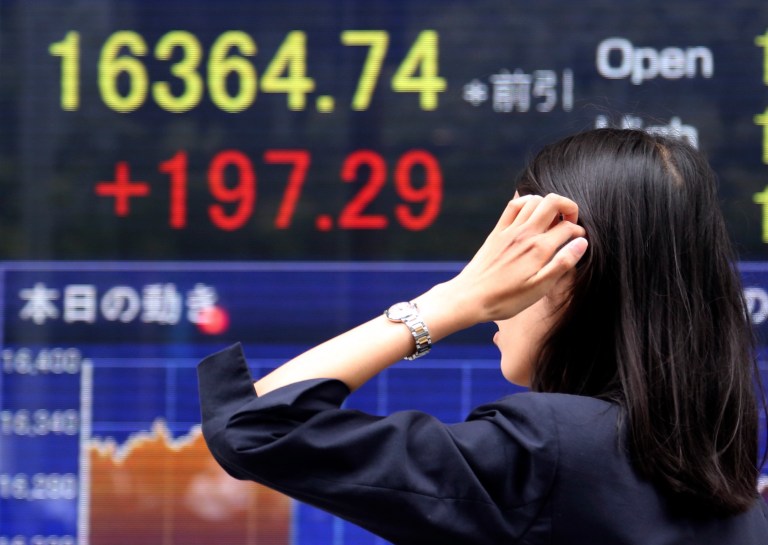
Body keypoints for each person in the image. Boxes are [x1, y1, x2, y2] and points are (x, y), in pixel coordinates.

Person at [197, 128, 768, 544]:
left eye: (512, 258)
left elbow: (256, 425)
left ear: (568, 274)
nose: (497, 289)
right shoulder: (736, 497)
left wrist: (454, 299)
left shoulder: (552, 452)